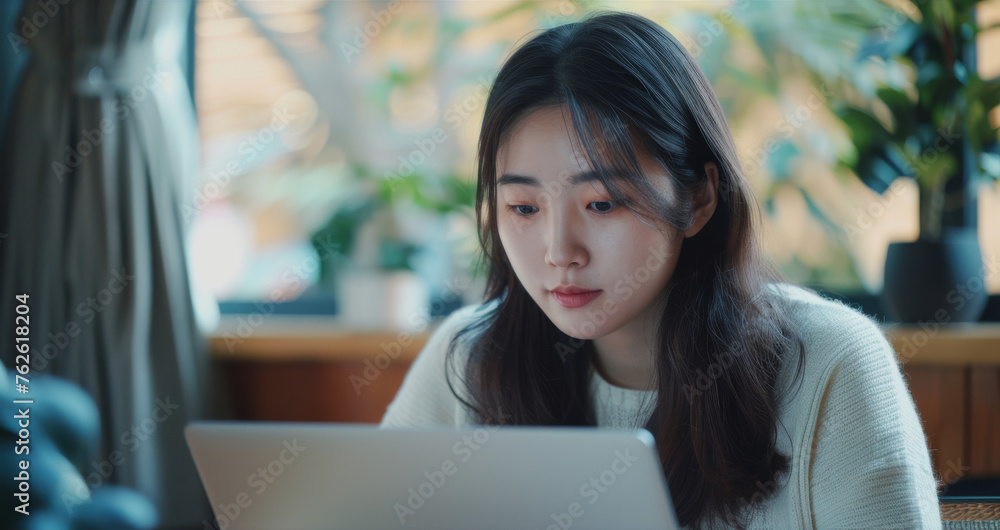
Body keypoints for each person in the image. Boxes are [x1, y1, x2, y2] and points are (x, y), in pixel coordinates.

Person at [380, 10, 941, 529]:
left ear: (697, 199)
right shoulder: (470, 357)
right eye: (523, 208)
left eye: (602, 204)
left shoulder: (830, 365)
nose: (559, 252)